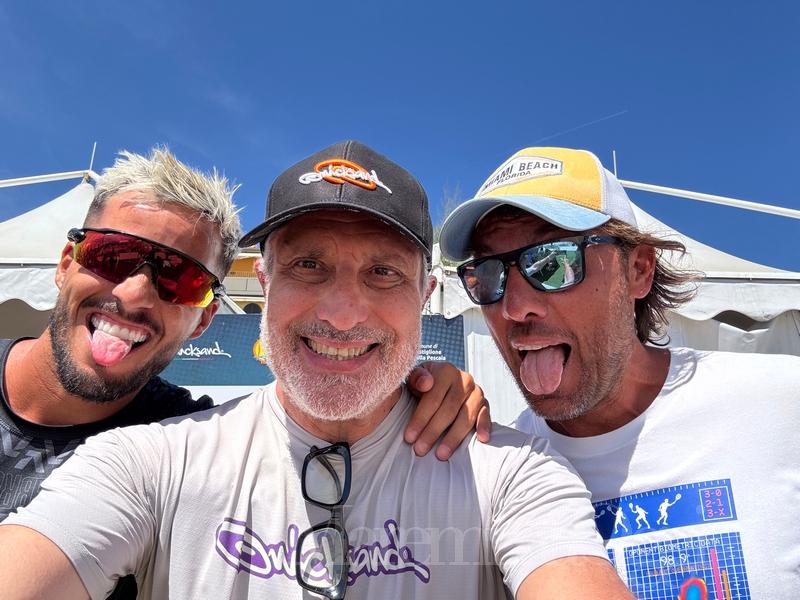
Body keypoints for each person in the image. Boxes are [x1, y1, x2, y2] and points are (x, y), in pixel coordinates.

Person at [0, 141, 632, 599]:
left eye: (383, 272)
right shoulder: (149, 460)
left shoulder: (514, 475)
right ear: (265, 283)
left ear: (425, 294)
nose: (341, 311)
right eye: (308, 265)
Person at [439, 146, 800, 598]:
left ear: (639, 271)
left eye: (552, 263)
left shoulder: (782, 402)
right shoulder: (496, 473)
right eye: (488, 275)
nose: (514, 306)